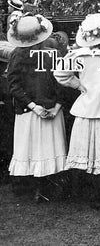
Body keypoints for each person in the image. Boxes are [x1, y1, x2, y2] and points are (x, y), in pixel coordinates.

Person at [54, 13, 100, 209]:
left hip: (87, 108)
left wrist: (78, 85)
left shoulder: (79, 55)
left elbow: (60, 73)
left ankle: (92, 195)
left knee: (89, 153)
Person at [7, 13, 67, 201]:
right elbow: (62, 82)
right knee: (46, 149)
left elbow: (13, 85)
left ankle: (35, 188)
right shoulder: (52, 53)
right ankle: (44, 188)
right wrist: (55, 106)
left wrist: (35, 106)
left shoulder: (16, 54)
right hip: (45, 109)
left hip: (31, 109)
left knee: (31, 149)